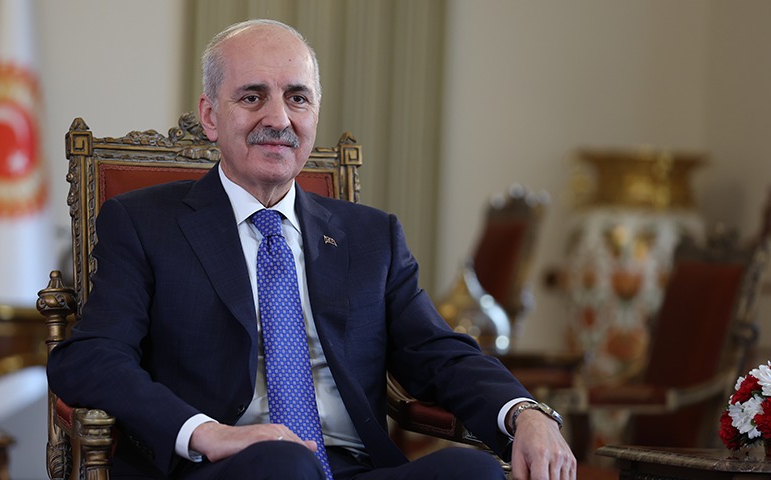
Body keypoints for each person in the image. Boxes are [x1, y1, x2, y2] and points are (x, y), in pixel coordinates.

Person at [47, 18, 576, 480]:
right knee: (285, 466)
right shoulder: (145, 223)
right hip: (221, 467)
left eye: (297, 97)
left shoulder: (371, 237)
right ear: (210, 116)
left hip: (352, 466)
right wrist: (204, 432)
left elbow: (438, 354)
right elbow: (91, 357)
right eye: (252, 97)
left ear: (314, 113)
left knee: (474, 471)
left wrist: (524, 412)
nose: (279, 119)